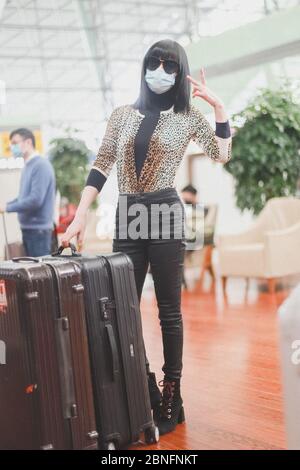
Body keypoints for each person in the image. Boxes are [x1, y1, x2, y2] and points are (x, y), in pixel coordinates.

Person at [60, 39, 232, 435]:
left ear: (179, 72)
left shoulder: (187, 117)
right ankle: (145, 384)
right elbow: (102, 163)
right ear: (145, 67)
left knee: (168, 310)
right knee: (123, 308)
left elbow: (221, 153)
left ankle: (172, 392)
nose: (160, 70)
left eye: (169, 65)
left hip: (165, 211)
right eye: (154, 62)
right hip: (129, 212)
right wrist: (81, 214)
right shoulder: (122, 115)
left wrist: (219, 108)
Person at [0, 128, 56, 257]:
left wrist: (8, 208)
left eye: (15, 143)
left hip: (38, 231)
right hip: (29, 229)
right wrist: (6, 205)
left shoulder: (41, 165)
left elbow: (35, 199)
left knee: (40, 274)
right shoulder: (28, 166)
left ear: (28, 142)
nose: (12, 147)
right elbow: (23, 197)